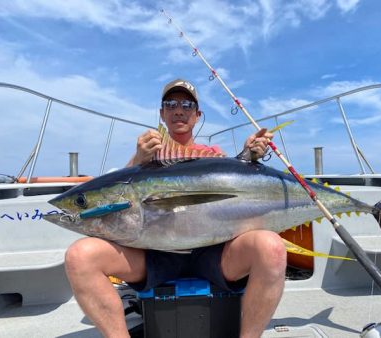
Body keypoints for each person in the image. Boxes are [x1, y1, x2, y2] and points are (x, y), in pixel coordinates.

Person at [64, 79, 287, 338]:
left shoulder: (214, 155)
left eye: (186, 104)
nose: (178, 110)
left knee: (271, 248)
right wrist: (138, 160)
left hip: (213, 252)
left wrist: (250, 157)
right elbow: (118, 192)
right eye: (170, 104)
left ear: (197, 115)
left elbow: (237, 188)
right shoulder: (147, 155)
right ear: (162, 113)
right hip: (154, 254)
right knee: (79, 256)